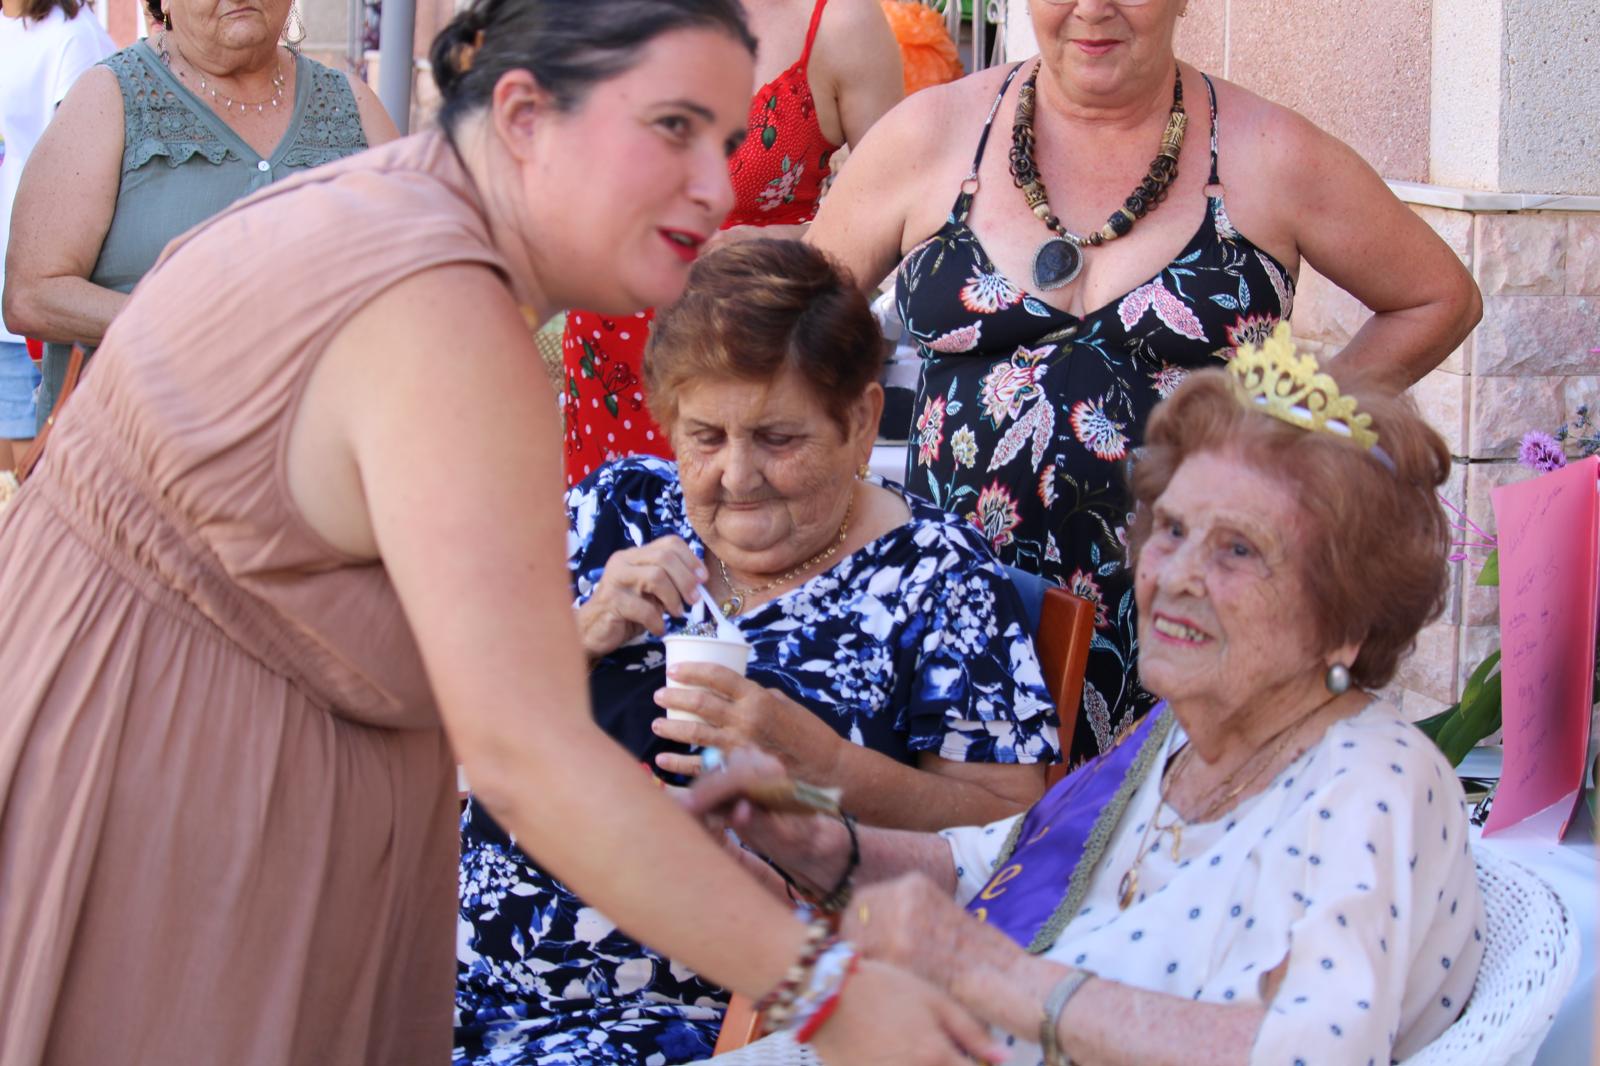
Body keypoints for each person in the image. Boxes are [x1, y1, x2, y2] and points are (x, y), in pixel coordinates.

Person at [0, 3, 1000, 1064]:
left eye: (726, 140)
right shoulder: (443, 316)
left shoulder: (378, 213)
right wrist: (828, 994)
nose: (717, 190)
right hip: (177, 855)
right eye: (672, 129)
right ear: (523, 115)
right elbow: (529, 761)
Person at [690, 330, 1484, 1066]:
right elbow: (997, 867)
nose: (1176, 576)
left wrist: (988, 970)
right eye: (1172, 530)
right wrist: (818, 841)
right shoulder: (1175, 739)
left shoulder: (1370, 780)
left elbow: (1312, 1051)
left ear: (1347, 619)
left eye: (1239, 550)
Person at [806, 0, 1483, 763]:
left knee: (1146, 831)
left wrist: (1292, 430)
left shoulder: (1270, 154)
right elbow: (788, 338)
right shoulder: (930, 136)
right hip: (955, 630)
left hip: (1184, 637)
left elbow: (1438, 297)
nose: (1093, 7)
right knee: (955, 836)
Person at [456, 239, 1058, 1065]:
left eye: (777, 438)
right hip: (457, 964)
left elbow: (1009, 834)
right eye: (705, 436)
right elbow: (457, 713)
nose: (737, 476)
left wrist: (822, 763)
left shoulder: (939, 579)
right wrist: (583, 635)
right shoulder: (619, 508)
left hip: (696, 1016)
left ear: (860, 421)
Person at [2, 0, 397, 432]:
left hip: (321, 451)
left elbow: (418, 272)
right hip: (143, 451)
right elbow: (32, 296)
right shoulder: (109, 97)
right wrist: (187, 325)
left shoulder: (352, 104)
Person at [560, 0, 903, 487]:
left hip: (757, 361)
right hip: (610, 355)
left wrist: (789, 240)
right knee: (617, 521)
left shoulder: (841, 22)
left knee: (755, 525)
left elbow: (895, 207)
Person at [0, 0, 111, 466]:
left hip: (35, 297)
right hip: (6, 289)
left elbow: (83, 169)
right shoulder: (9, 26)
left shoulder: (73, 37)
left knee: (32, 474)